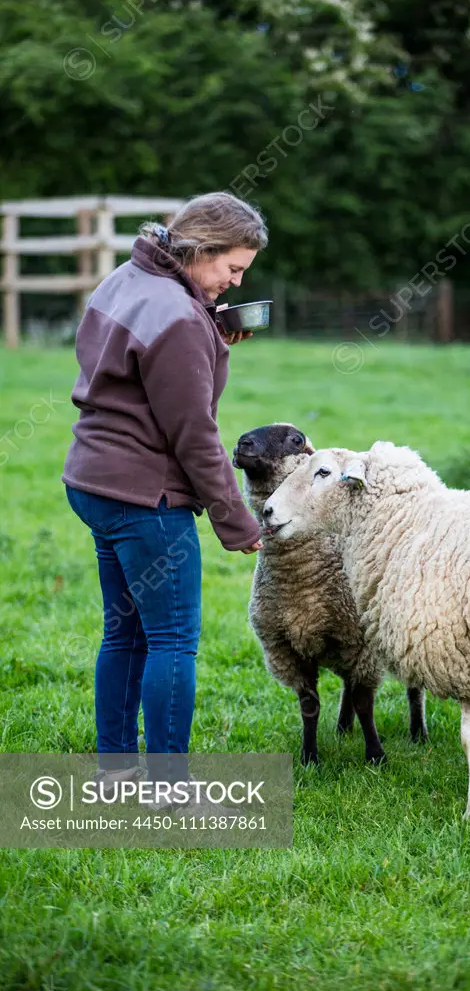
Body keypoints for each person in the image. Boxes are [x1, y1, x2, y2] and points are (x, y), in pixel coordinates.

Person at [62, 191, 265, 794]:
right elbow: (194, 434)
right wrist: (238, 522)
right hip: (143, 497)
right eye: (231, 269)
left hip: (94, 480)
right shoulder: (178, 317)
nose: (232, 284)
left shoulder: (129, 276)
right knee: (172, 638)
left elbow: (130, 371)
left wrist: (210, 337)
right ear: (200, 248)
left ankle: (117, 769)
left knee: (124, 631)